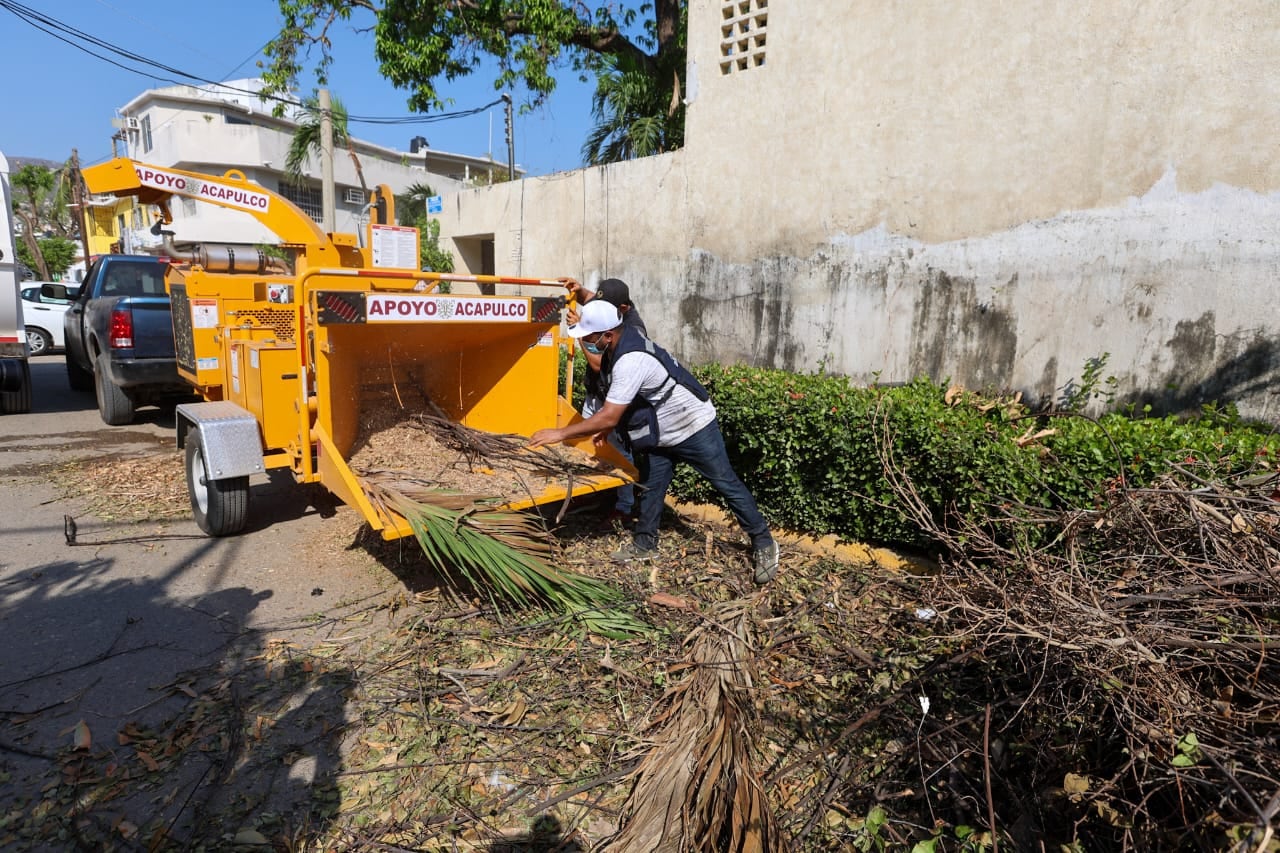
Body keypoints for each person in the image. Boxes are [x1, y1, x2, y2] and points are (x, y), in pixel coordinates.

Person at [529, 299, 780, 584]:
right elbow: (621, 401)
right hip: (660, 430)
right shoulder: (619, 342)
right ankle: (645, 544)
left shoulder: (630, 359)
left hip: (692, 425)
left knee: (726, 483)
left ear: (607, 335)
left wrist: (560, 433)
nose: (586, 342)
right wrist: (606, 426)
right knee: (651, 487)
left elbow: (610, 415)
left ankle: (764, 541)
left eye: (588, 337)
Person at [562, 277, 645, 527]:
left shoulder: (633, 330)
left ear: (622, 309)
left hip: (613, 402)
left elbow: (598, 365)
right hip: (595, 395)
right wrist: (579, 290)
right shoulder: (612, 308)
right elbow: (592, 299)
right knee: (588, 448)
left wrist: (580, 332)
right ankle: (593, 494)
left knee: (619, 453)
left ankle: (624, 507)